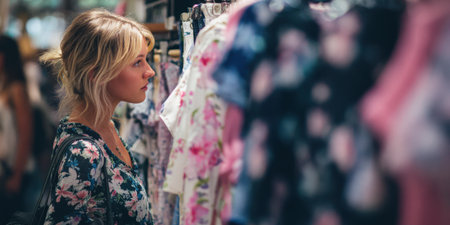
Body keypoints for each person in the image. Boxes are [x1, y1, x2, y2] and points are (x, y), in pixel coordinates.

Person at [39, 8, 155, 224]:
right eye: (137, 62)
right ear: (98, 74)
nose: (150, 71)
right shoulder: (84, 151)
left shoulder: (105, 127)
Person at [0, 34, 35, 224]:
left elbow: (26, 133)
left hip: (14, 169)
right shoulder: (4, 86)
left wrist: (17, 174)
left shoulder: (16, 89)